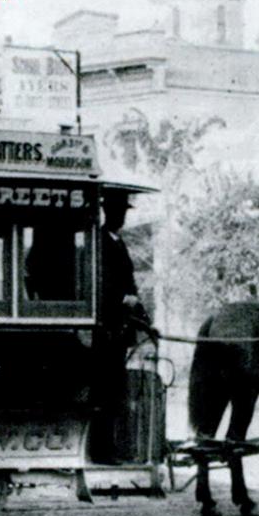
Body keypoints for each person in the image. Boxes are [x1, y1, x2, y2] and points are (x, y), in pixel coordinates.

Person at [91, 189, 151, 463]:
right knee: (106, 392)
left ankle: (111, 447)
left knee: (115, 392)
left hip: (120, 329)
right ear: (108, 212)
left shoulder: (119, 242)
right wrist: (121, 300)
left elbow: (131, 285)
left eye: (124, 212)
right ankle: (102, 451)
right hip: (106, 330)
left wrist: (146, 321)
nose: (121, 217)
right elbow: (99, 283)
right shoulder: (99, 242)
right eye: (118, 212)